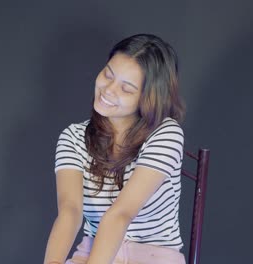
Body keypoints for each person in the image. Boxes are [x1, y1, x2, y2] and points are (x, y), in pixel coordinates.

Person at [44, 33, 186, 264]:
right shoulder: (73, 137)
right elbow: (70, 211)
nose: (108, 90)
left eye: (126, 89)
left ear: (148, 98)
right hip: (91, 252)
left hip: (152, 256)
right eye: (108, 75)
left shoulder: (165, 133)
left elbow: (121, 214)